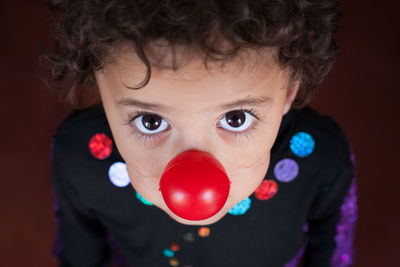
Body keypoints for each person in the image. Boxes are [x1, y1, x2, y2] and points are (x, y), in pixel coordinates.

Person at [41, 0, 358, 266]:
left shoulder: (322, 159)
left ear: (290, 90)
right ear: (100, 87)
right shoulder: (80, 156)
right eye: (150, 121)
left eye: (236, 118)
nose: (194, 184)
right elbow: (80, 255)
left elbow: (330, 253)